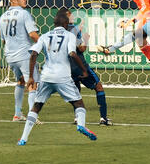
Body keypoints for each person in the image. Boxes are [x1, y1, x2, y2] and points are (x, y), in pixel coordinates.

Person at [17, 13, 98, 146]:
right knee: (78, 104)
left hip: (46, 76)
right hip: (63, 77)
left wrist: (31, 76)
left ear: (54, 24)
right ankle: (81, 125)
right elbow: (72, 53)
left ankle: (23, 139)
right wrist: (83, 70)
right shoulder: (69, 35)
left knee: (37, 107)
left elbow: (33, 54)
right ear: (66, 25)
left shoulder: (44, 36)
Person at [57, 7, 113, 126]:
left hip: (67, 67)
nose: (72, 16)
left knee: (76, 90)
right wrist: (86, 39)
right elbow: (81, 48)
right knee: (98, 87)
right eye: (69, 15)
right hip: (79, 66)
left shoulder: (57, 31)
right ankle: (103, 118)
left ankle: (77, 118)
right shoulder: (73, 30)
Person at [0, 0, 41, 123]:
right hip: (24, 55)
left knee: (21, 81)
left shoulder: (3, 16)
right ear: (14, 1)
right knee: (32, 84)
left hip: (10, 56)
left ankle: (17, 114)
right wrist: (44, 44)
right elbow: (33, 34)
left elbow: (3, 39)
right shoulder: (24, 14)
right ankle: (32, 116)